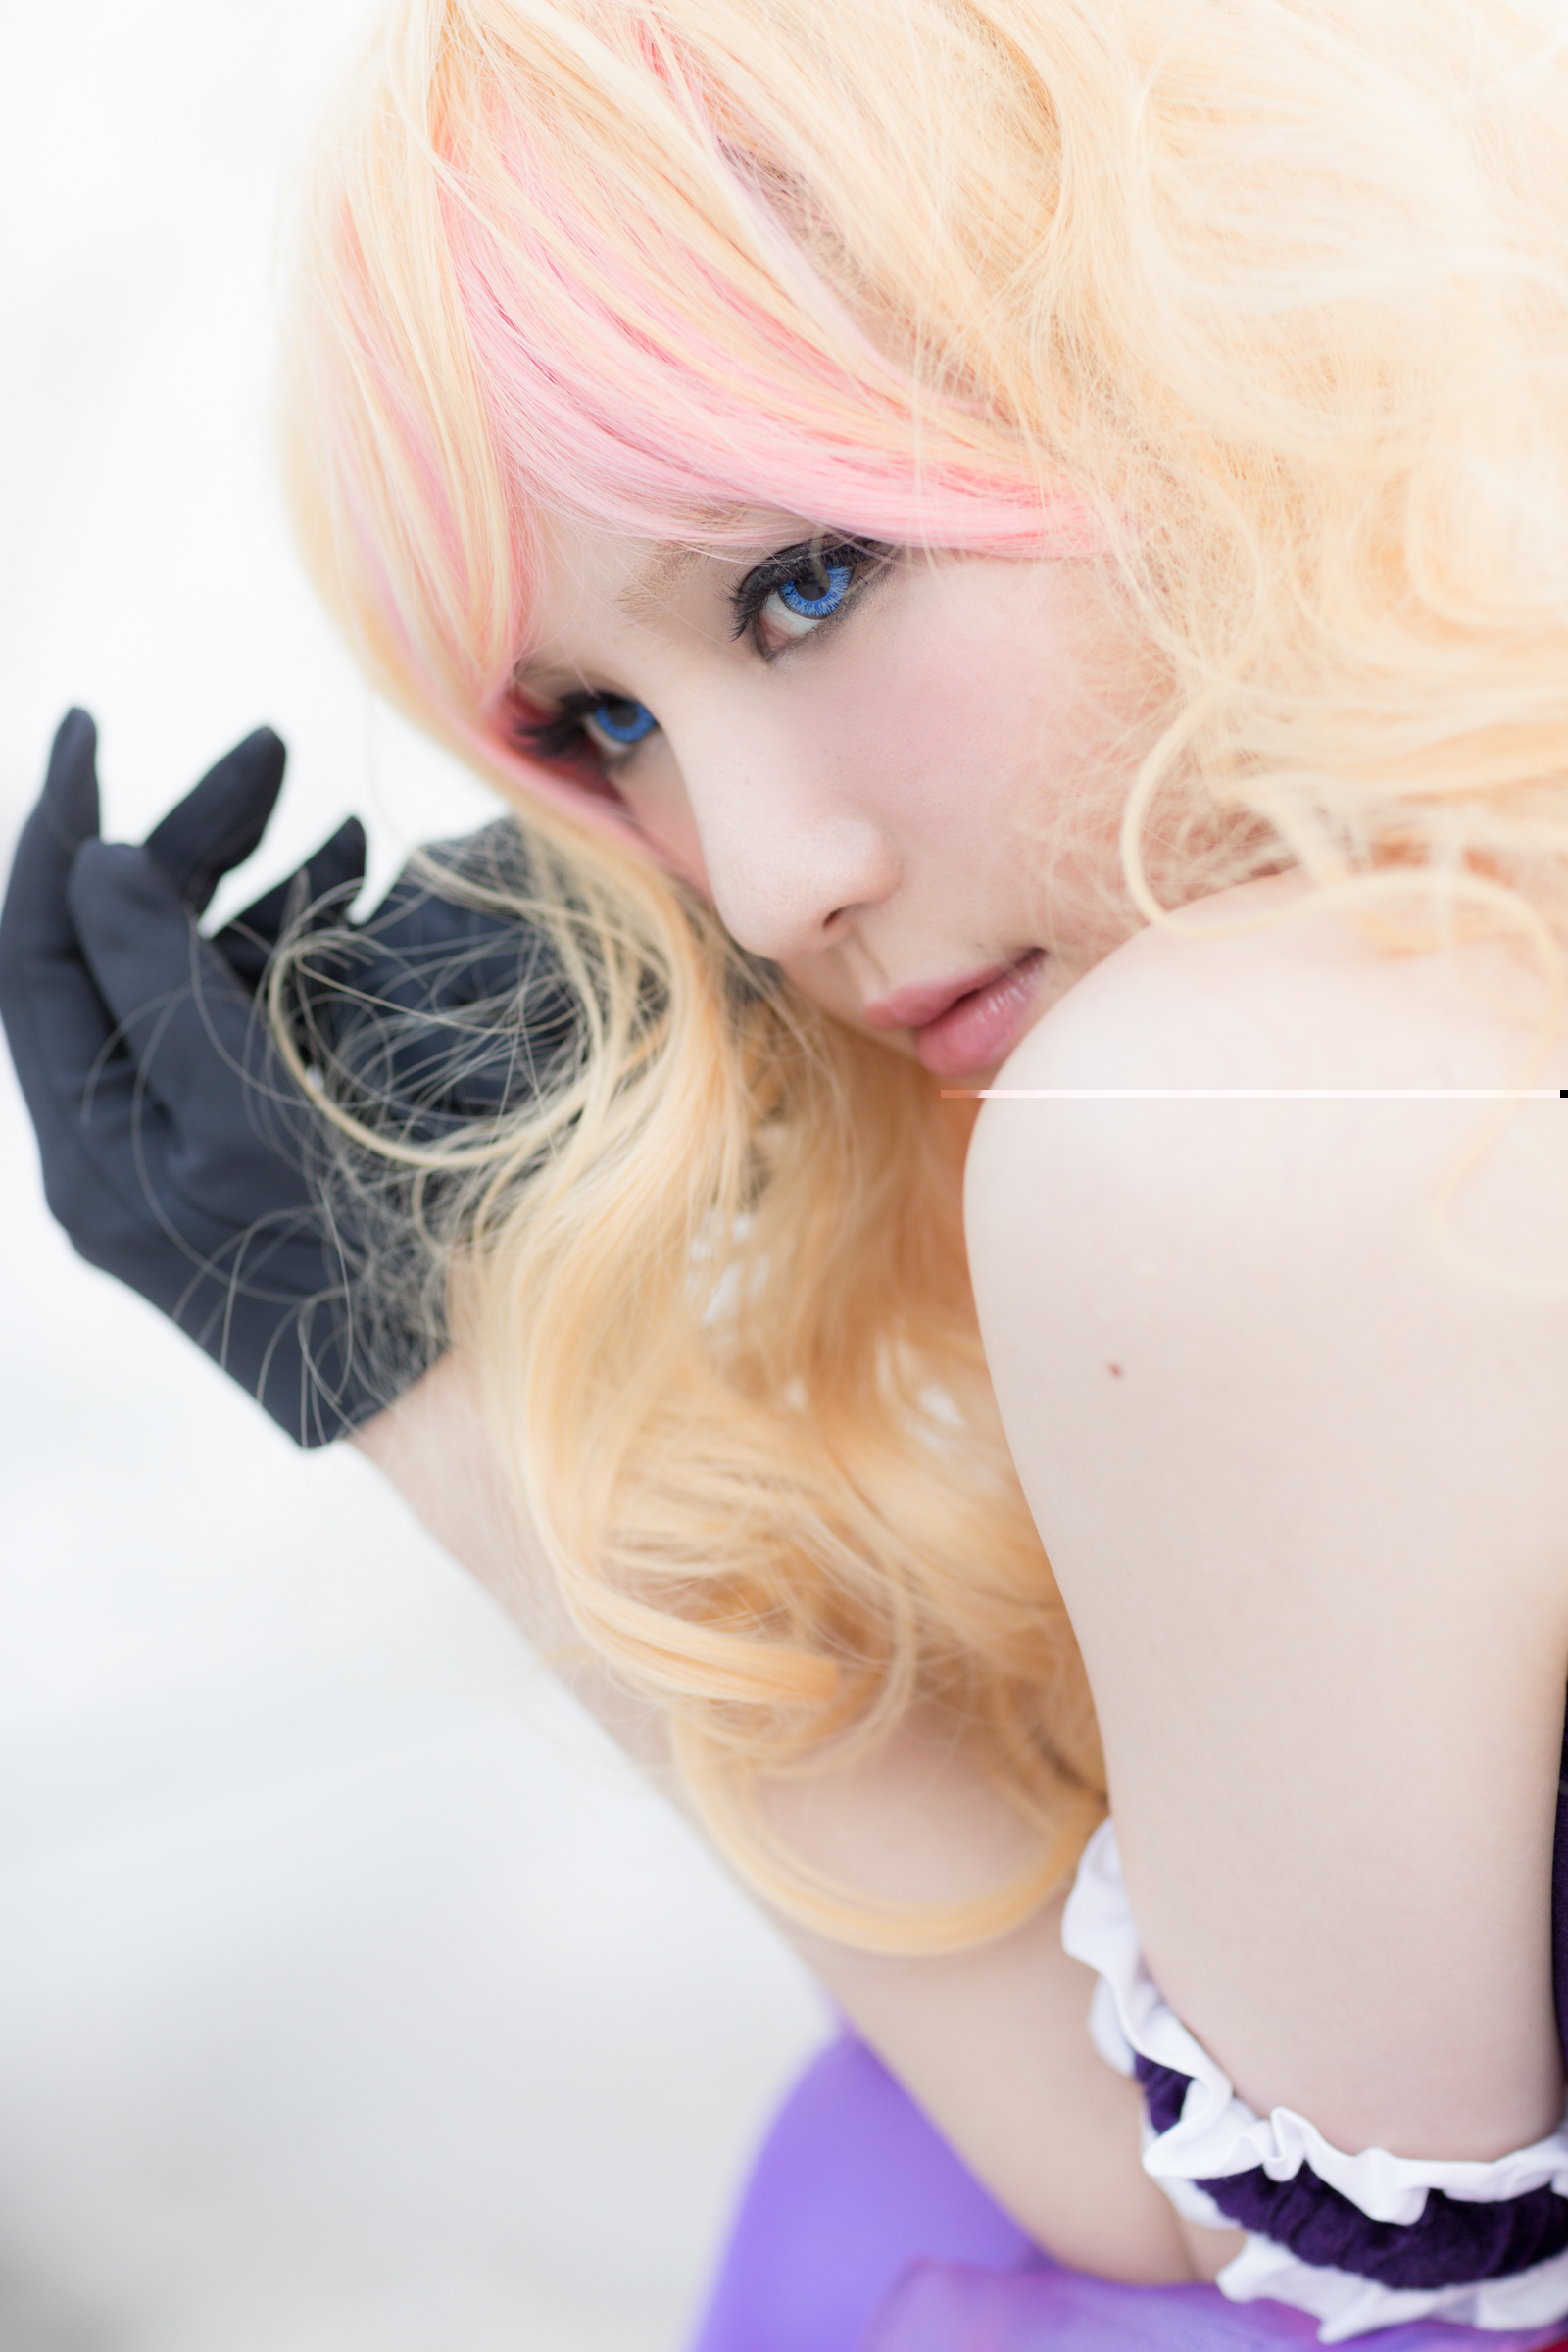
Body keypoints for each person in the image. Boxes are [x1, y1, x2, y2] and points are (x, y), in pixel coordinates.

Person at [9, 0, 1568, 2342]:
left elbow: (1258, 2257)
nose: (749, 886)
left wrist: (411, 1368)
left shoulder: (1212, 1125)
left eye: (804, 581)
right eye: (601, 727)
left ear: (1217, 348)